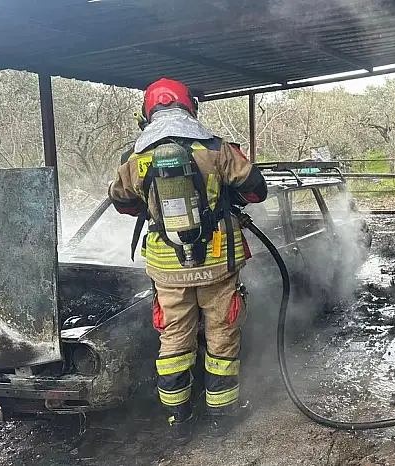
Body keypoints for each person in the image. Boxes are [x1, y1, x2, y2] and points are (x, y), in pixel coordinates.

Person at [109, 78, 268, 440]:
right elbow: (257, 190)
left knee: (174, 342)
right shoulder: (215, 147)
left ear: (149, 111)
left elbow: (122, 203)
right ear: (189, 106)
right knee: (222, 336)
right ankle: (222, 417)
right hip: (217, 263)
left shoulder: (134, 157)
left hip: (167, 269)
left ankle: (178, 420)